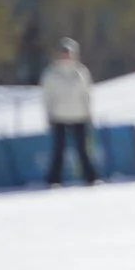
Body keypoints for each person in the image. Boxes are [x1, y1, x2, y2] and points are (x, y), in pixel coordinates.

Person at [42, 38, 97, 186]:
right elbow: (47, 97)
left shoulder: (81, 72)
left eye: (69, 53)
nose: (66, 56)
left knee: (83, 149)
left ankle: (91, 178)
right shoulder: (51, 74)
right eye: (63, 53)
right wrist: (49, 115)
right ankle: (54, 179)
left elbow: (86, 94)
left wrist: (89, 112)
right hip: (59, 116)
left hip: (80, 115)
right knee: (59, 150)